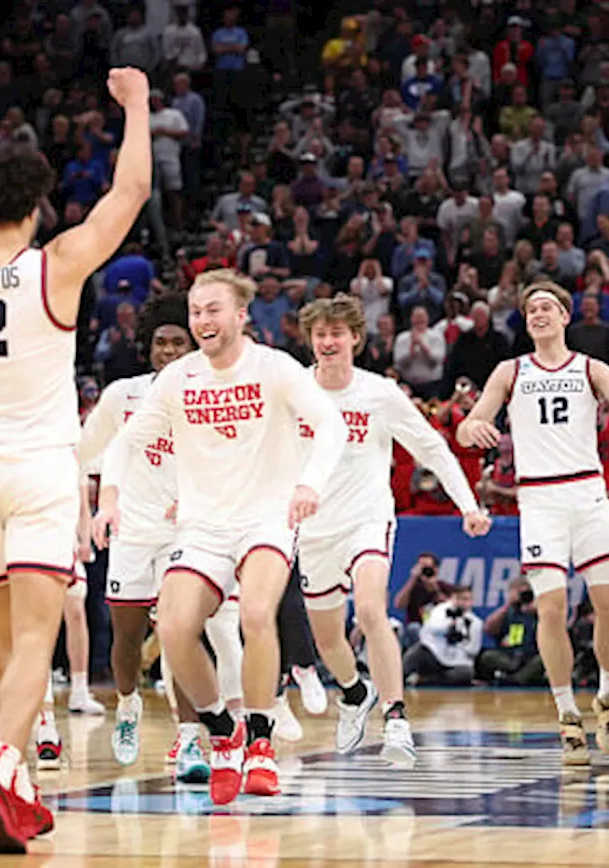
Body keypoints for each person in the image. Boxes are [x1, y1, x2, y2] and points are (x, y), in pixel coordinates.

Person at [0, 67, 152, 853]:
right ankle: (3, 767)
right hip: (40, 471)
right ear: (39, 203)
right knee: (37, 639)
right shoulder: (60, 264)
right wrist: (138, 105)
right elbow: (132, 191)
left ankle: (16, 784)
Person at [92, 268, 347, 806]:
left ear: (240, 315)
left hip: (266, 518)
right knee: (177, 627)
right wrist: (109, 496)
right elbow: (123, 443)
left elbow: (330, 425)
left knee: (256, 614)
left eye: (213, 309)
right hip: (203, 522)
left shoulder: (273, 368)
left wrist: (310, 483)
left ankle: (258, 742)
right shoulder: (179, 377)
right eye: (196, 311)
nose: (203, 320)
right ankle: (220, 730)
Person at [457, 281, 609, 765]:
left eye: (548, 307)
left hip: (587, 494)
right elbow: (470, 421)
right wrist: (471, 426)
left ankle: (607, 698)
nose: (539, 314)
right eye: (532, 310)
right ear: (526, 322)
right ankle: (566, 713)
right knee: (551, 609)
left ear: (566, 317)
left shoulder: (591, 368)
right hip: (540, 498)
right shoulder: (510, 370)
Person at [295, 296, 491, 766]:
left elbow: (432, 447)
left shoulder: (379, 393)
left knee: (368, 609)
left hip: (366, 520)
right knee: (327, 641)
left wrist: (468, 504)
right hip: (312, 530)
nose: (327, 342)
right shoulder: (295, 390)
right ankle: (354, 692)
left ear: (355, 339)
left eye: (336, 333)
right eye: (320, 334)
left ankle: (396, 717)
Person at [77, 291, 221, 783]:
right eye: (160, 342)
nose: (167, 351)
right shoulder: (123, 395)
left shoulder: (210, 395)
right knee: (127, 638)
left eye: (178, 343)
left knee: (182, 633)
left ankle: (188, 742)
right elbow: (86, 450)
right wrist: (94, 505)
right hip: (133, 533)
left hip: (186, 533)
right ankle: (127, 703)